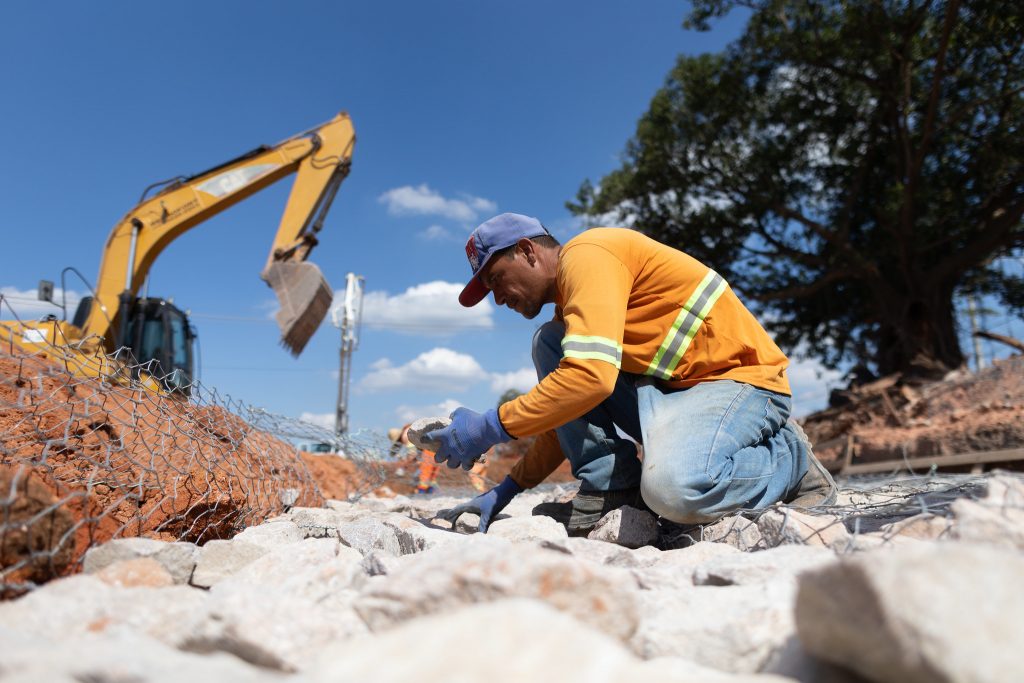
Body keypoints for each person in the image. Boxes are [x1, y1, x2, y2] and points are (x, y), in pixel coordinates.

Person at [427, 213, 837, 535]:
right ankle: (614, 490)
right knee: (551, 343)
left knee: (675, 493)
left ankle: (790, 460)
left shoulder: (588, 254)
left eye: (495, 279)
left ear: (528, 251)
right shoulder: (571, 311)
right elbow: (568, 410)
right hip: (673, 393)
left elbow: (592, 379)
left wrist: (491, 426)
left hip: (738, 382)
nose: (497, 298)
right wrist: (508, 488)